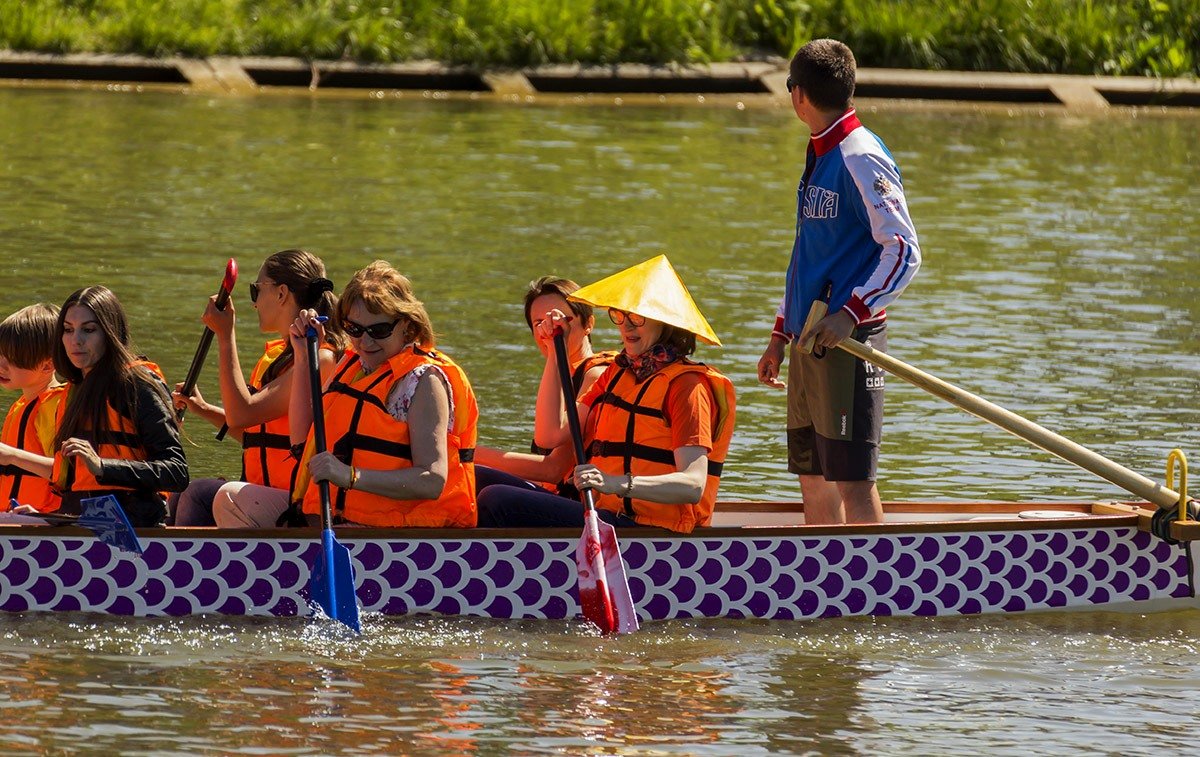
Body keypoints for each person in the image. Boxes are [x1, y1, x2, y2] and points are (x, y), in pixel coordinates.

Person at [756, 38, 921, 525]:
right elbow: (810, 256)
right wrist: (779, 337)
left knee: (851, 480)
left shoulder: (860, 155)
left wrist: (851, 313)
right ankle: (827, 594)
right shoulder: (819, 150)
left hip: (849, 341)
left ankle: (875, 595)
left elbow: (905, 249)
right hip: (808, 339)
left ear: (798, 95)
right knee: (813, 477)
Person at [477, 255, 736, 533]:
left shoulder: (687, 387)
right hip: (608, 514)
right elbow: (549, 436)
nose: (626, 326)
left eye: (637, 317)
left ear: (666, 323)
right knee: (476, 477)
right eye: (619, 315)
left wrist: (614, 483)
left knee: (498, 500)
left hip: (654, 530)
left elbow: (693, 485)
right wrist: (557, 349)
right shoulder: (617, 373)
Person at [284, 260, 479, 528]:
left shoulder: (423, 382)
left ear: (407, 326)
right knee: (227, 498)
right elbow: (299, 443)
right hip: (328, 520)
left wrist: (350, 476)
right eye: (354, 329)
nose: (365, 341)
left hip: (393, 536)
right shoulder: (353, 366)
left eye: (379, 330)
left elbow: (432, 480)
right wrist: (304, 356)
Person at [170, 249, 346, 528]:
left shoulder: (319, 358)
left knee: (216, 496)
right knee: (182, 494)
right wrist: (203, 410)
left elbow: (242, 414)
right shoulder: (282, 357)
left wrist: (225, 335)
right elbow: (258, 436)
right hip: (270, 491)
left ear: (281, 294)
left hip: (304, 500)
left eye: (256, 290)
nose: (254, 303)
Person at [50, 286, 189, 527]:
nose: (76, 340)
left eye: (89, 330)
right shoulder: (75, 390)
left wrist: (102, 466)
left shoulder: (137, 385)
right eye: (68, 330)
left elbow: (176, 472)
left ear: (110, 333)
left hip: (131, 523)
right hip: (81, 519)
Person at [474, 275, 616, 495]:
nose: (549, 330)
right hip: (550, 492)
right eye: (539, 323)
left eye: (561, 320)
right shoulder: (560, 374)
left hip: (576, 502)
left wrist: (465, 451)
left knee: (485, 486)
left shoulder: (597, 376)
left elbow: (553, 469)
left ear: (588, 324)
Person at [0, 303, 66, 515]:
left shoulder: (52, 406)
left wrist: (12, 455)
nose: (1, 365)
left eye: (13, 360)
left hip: (42, 521)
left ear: (47, 366)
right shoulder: (22, 404)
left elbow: (66, 473)